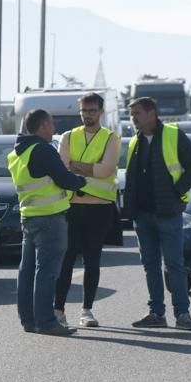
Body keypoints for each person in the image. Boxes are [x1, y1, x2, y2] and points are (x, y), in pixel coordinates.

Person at [124, 96, 191, 330]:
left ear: (151, 113)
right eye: (132, 114)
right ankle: (156, 313)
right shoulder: (134, 141)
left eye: (137, 114)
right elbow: (132, 178)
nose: (133, 119)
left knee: (174, 265)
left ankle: (183, 315)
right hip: (143, 214)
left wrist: (176, 191)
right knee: (150, 266)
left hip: (168, 212)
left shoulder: (173, 135)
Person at [8, 109, 89, 336]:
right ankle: (46, 321)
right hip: (51, 218)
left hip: (29, 217)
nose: (54, 128)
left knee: (27, 272)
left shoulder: (16, 154)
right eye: (52, 123)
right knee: (47, 272)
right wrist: (81, 181)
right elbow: (63, 178)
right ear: (42, 125)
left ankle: (29, 319)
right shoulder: (43, 149)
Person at [54, 93, 122, 328]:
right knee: (66, 260)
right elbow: (63, 168)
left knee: (92, 261)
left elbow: (106, 170)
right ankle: (58, 310)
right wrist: (88, 167)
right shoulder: (68, 137)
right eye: (84, 110)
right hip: (71, 206)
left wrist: (77, 166)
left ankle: (87, 311)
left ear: (101, 112)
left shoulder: (110, 138)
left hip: (99, 208)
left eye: (92, 110)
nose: (88, 115)